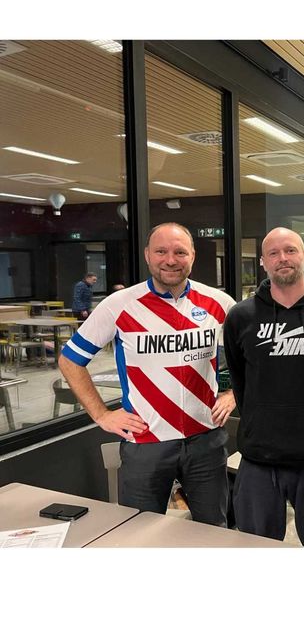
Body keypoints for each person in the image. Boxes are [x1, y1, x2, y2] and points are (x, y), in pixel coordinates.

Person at [58, 222, 236, 526]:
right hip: (146, 442)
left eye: (180, 252)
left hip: (206, 440)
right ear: (147, 255)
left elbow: (249, 357)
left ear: (192, 255)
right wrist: (101, 414)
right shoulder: (119, 305)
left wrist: (234, 394)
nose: (170, 260)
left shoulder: (219, 303)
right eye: (161, 251)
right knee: (138, 534)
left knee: (215, 531)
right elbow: (70, 360)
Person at [223, 227, 304, 547]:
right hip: (258, 459)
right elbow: (240, 381)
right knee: (257, 549)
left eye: (290, 250)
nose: (283, 258)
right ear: (263, 262)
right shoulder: (240, 317)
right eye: (273, 253)